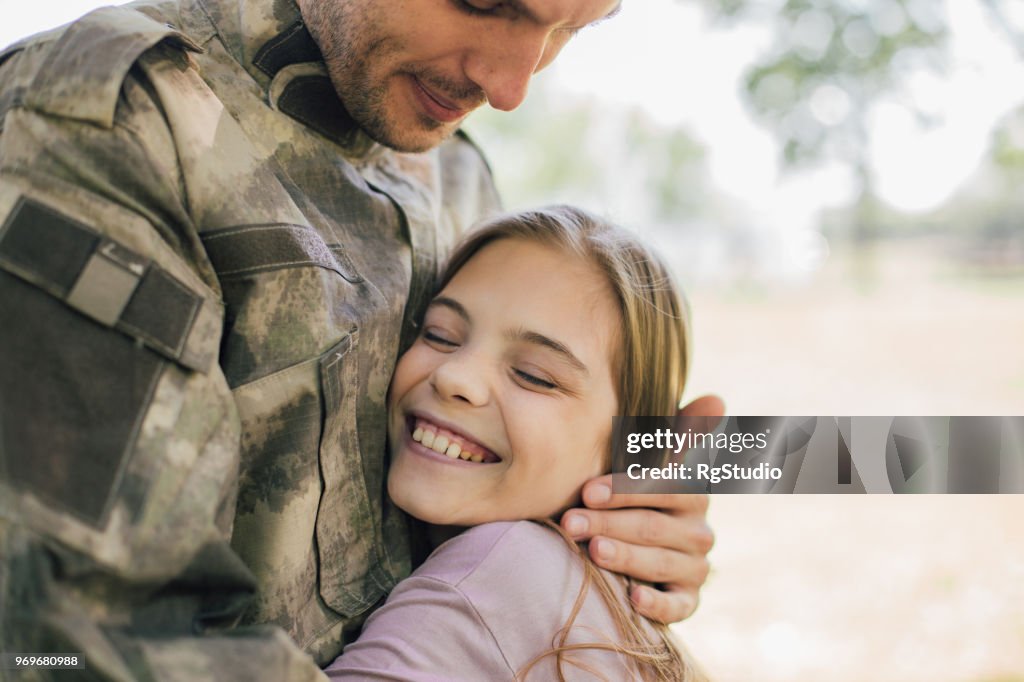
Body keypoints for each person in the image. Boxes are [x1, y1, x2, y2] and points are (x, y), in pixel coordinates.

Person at [0, 1, 718, 679]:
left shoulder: (453, 172)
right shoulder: (110, 119)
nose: (509, 88)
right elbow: (62, 641)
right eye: (484, 1)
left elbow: (801, 451)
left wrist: (634, 522)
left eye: (570, 29)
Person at [324, 206, 707, 680]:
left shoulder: (498, 570)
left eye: (533, 376)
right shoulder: (577, 590)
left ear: (631, 453)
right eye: (439, 335)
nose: (454, 376)